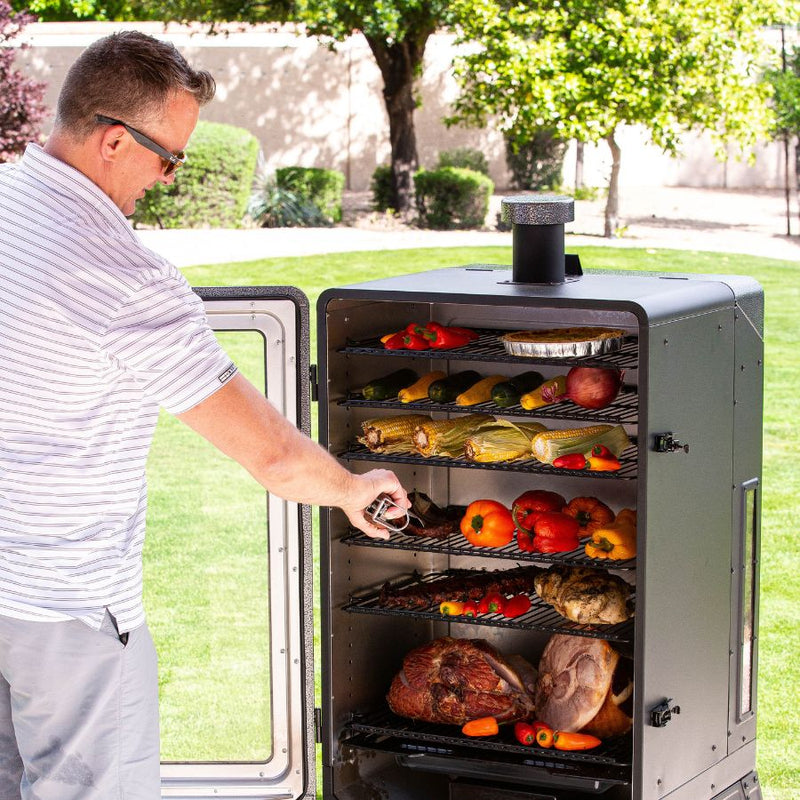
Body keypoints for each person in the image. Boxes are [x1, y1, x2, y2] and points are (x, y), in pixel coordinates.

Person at [0, 30, 408, 800]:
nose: (169, 177)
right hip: (68, 605)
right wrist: (352, 488)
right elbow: (272, 457)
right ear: (115, 139)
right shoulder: (120, 276)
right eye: (168, 157)